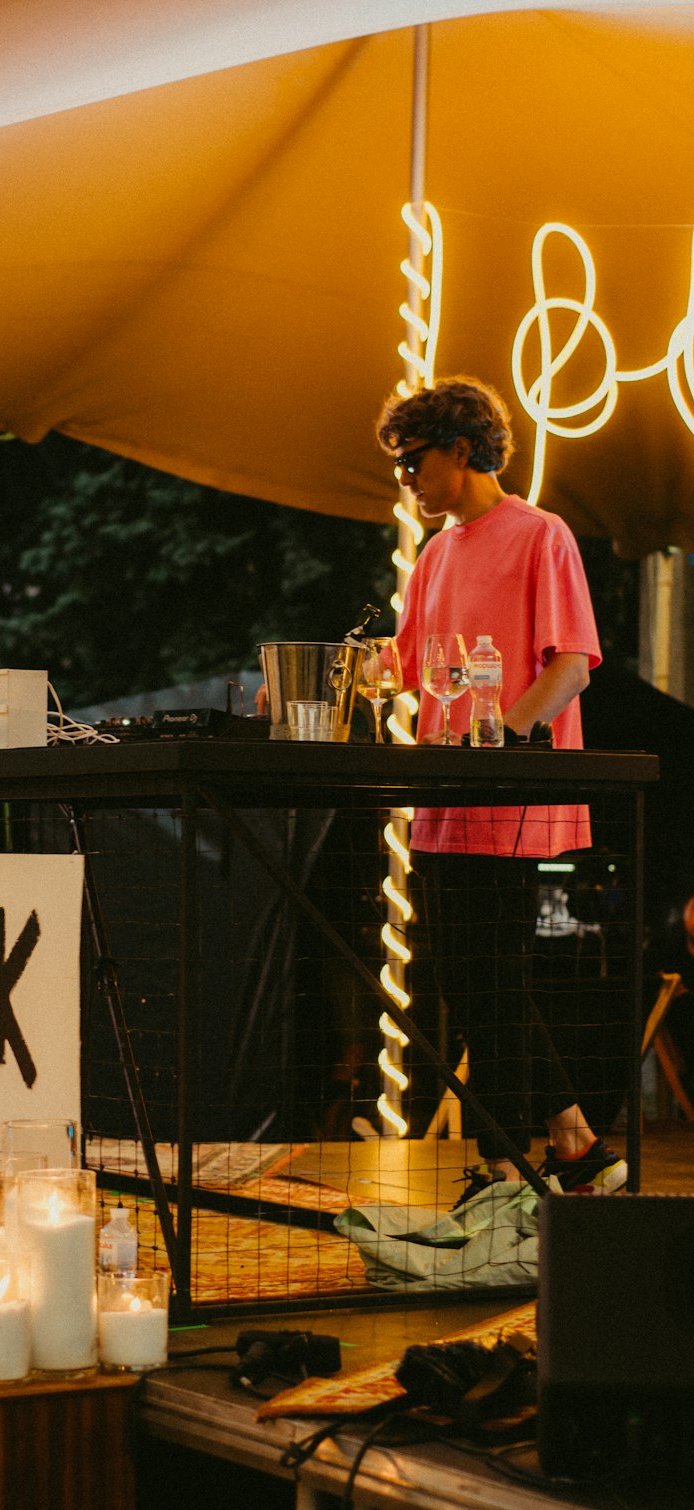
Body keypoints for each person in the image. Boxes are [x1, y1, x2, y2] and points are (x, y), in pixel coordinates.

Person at [375, 375, 626, 1201]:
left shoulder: (539, 535)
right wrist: (331, 676)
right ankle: (569, 1140)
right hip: (448, 796)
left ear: (460, 448)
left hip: (512, 793)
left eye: (412, 460)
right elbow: (404, 665)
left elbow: (572, 662)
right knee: (465, 976)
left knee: (484, 973)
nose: (404, 478)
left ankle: (505, 1163)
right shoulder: (434, 555)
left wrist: (507, 737)